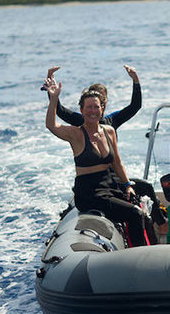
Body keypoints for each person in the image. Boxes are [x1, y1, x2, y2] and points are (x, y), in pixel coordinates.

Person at [44, 75, 149, 247]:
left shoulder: (109, 131)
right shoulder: (76, 134)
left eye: (96, 107)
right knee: (135, 213)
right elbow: (51, 125)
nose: (92, 111)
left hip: (108, 185)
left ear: (102, 109)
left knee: (141, 202)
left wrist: (127, 185)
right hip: (89, 193)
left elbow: (117, 163)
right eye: (88, 107)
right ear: (82, 110)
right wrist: (54, 99)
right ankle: (142, 258)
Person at [45, 65, 141, 130]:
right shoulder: (80, 120)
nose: (99, 102)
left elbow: (135, 106)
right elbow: (59, 110)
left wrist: (136, 81)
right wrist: (52, 89)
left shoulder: (112, 121)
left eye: (102, 99)